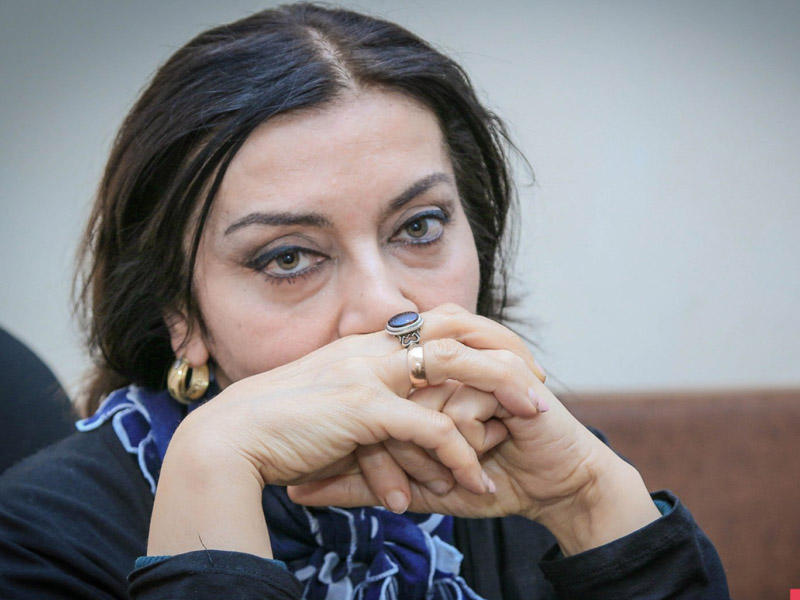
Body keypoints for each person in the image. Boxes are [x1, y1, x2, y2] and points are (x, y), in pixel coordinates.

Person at [0, 3, 730, 598]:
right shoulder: (40, 540)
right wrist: (214, 472)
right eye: (288, 258)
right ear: (181, 316)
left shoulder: (533, 469)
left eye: (419, 226)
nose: (386, 309)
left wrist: (590, 508)